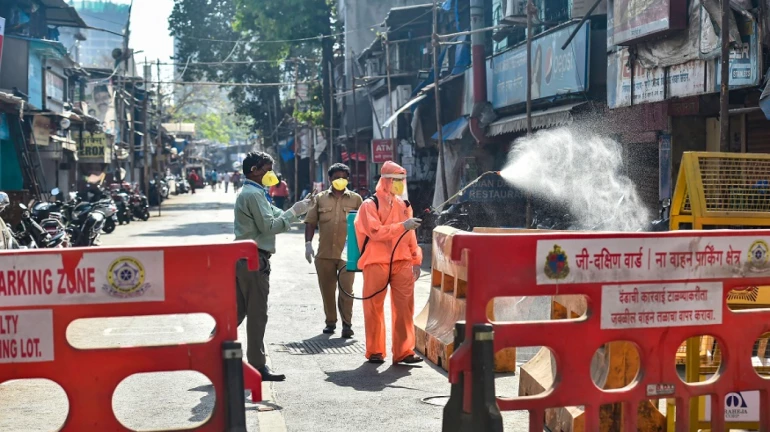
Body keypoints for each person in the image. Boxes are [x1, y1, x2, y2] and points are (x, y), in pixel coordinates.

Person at [234, 151, 314, 381]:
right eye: (267, 169)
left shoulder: (256, 192)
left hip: (243, 257)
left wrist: (300, 210)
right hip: (253, 258)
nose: (271, 173)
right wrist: (294, 211)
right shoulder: (254, 194)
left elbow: (278, 215)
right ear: (254, 170)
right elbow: (269, 226)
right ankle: (258, 366)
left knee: (236, 312)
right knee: (257, 313)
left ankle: (215, 355)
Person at [354, 161, 424, 365]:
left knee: (405, 307)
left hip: (402, 262)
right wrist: (402, 226)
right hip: (376, 262)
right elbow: (375, 232)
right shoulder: (369, 204)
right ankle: (375, 351)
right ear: (385, 180)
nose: (400, 184)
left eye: (402, 180)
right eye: (396, 180)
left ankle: (404, 351)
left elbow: (411, 236)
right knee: (373, 307)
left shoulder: (404, 205)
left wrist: (416, 260)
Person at [304, 164, 363, 337]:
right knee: (327, 290)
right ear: (329, 179)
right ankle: (330, 322)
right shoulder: (320, 199)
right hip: (324, 254)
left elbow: (364, 225)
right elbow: (310, 222)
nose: (340, 180)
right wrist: (308, 244)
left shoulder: (356, 199)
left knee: (347, 290)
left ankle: (347, 324)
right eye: (336, 177)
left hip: (348, 254)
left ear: (348, 179)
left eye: (344, 177)